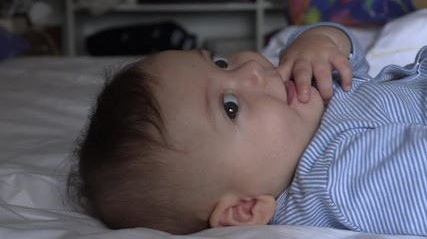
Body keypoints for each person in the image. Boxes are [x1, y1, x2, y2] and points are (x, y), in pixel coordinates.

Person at [69, 22, 427, 236]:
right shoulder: (339, 183)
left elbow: (349, 58)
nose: (252, 71)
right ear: (244, 210)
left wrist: (315, 42)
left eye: (221, 63)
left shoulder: (305, 110)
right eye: (230, 107)